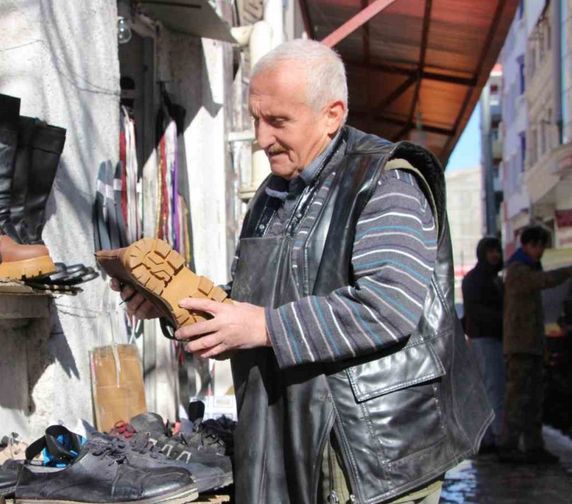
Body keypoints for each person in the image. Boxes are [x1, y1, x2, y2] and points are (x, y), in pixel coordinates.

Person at [109, 39, 491, 504]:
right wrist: (174, 307)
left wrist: (263, 326)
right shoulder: (275, 194)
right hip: (286, 438)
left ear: (332, 115)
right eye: (255, 119)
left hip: (365, 461)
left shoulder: (386, 181)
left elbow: (388, 306)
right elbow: (266, 299)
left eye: (278, 121)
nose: (261, 138)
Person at [499, 225, 572, 463]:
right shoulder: (518, 270)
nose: (540, 251)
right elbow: (543, 281)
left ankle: (533, 446)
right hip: (520, 346)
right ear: (527, 245)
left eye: (542, 246)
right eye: (537, 245)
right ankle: (508, 446)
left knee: (534, 399)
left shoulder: (528, 267)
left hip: (532, 345)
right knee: (517, 398)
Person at [462, 237, 505, 453]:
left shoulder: (494, 279)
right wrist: (503, 318)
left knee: (488, 389)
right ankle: (496, 438)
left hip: (489, 339)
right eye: (491, 251)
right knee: (493, 388)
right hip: (484, 339)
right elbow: (476, 312)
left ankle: (488, 438)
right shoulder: (476, 279)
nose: (495, 254)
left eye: (497, 250)